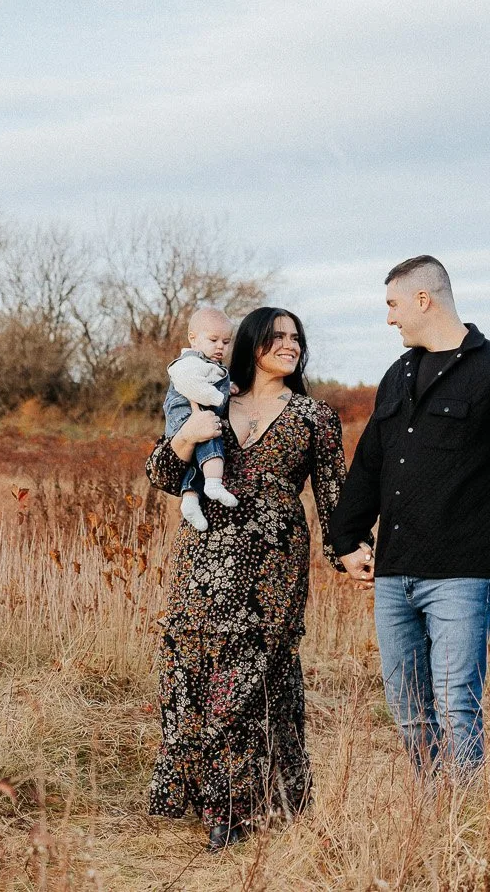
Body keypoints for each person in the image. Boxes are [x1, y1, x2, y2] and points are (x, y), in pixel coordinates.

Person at [328, 255, 490, 782]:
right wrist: (345, 538)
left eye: (392, 305)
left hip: (462, 571)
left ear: (422, 299)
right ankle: (433, 814)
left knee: (457, 704)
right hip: (394, 573)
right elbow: (370, 463)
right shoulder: (398, 375)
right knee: (408, 708)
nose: (389, 319)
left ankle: (463, 821)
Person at [145, 306, 349, 851]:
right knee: (196, 667)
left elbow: (334, 500)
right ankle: (210, 796)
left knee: (256, 673)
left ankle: (237, 807)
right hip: (204, 560)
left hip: (275, 565)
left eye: (296, 337)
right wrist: (188, 436)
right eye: (277, 336)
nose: (290, 344)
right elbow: (162, 474)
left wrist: (351, 554)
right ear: (252, 343)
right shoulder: (206, 397)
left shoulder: (314, 417)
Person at [163, 305, 240, 532]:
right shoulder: (190, 362)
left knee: (195, 461)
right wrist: (218, 397)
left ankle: (190, 500)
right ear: (193, 339)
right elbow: (190, 384)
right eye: (214, 340)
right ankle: (214, 484)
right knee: (211, 434)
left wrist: (229, 386)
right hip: (184, 415)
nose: (220, 347)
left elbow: (216, 378)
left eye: (226, 342)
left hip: (188, 417)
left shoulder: (209, 364)